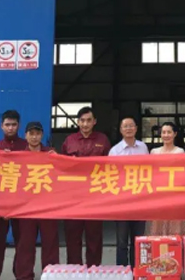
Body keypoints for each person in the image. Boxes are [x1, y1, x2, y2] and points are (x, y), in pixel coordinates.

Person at [61, 107, 111, 266]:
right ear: (78, 122)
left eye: (89, 120)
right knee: (72, 236)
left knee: (94, 237)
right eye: (82, 120)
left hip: (95, 196)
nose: (85, 124)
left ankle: (94, 270)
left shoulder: (103, 140)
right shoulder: (69, 140)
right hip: (73, 197)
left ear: (94, 121)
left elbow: (111, 167)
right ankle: (75, 271)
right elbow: (62, 166)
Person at [0, 110, 29, 280]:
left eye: (14, 125)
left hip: (21, 203)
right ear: (1, 126)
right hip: (0, 204)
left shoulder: (26, 147)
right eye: (7, 125)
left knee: (22, 242)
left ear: (19, 126)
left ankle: (21, 274)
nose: (10, 128)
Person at [19, 121, 60, 280]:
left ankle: (51, 276)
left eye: (37, 134)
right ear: (26, 136)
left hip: (47, 207)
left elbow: (61, 176)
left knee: (50, 243)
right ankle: (24, 276)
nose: (34, 137)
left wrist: (58, 160)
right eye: (31, 134)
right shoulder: (19, 156)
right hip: (27, 208)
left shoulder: (51, 154)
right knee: (26, 244)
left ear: (42, 135)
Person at [109, 116, 149, 267]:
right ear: (120, 130)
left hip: (140, 201)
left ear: (136, 128)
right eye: (125, 126)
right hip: (122, 202)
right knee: (122, 241)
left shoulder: (143, 148)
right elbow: (111, 176)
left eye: (131, 125)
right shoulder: (115, 151)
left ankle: (137, 270)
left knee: (137, 240)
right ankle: (122, 271)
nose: (128, 128)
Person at [147, 122, 185, 236]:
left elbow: (183, 173)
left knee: (175, 226)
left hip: (175, 194)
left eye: (169, 132)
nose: (166, 135)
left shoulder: (180, 152)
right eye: (163, 132)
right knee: (157, 227)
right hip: (158, 194)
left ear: (175, 134)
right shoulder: (154, 152)